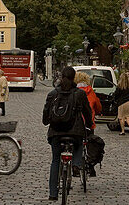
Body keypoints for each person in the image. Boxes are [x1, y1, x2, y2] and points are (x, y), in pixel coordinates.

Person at [43, 66, 92, 201]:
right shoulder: (80, 94)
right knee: (78, 144)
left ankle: (53, 194)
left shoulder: (53, 94)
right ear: (73, 77)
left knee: (55, 160)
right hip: (75, 132)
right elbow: (87, 113)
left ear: (61, 77)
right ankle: (76, 164)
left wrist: (48, 121)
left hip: (56, 133)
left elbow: (45, 117)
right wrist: (89, 126)